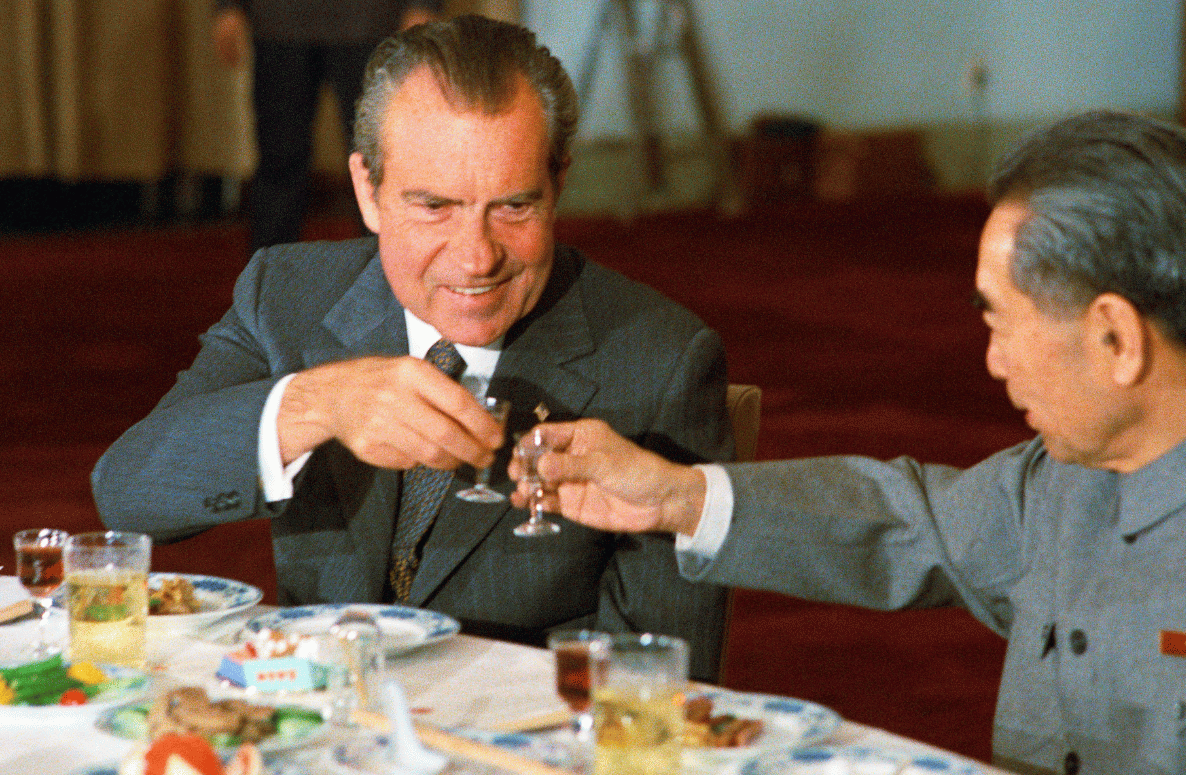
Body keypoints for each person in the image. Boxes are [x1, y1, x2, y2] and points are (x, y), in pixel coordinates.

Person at [510, 111, 1186, 773]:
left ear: (1115, 337)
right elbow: (910, 520)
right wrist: (678, 495)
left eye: (1000, 322)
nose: (990, 361)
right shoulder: (1070, 475)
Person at [94, 15, 732, 681]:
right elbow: (130, 493)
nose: (476, 255)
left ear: (558, 185)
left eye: (514, 207)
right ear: (368, 192)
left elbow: (659, 686)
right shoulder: (287, 294)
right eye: (435, 207)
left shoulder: (661, 360)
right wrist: (313, 405)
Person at [212, 0, 442, 253]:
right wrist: (228, 6)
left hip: (371, 21)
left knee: (379, 164)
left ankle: (388, 279)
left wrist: (424, 4)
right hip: (279, 22)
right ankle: (269, 282)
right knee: (278, 162)